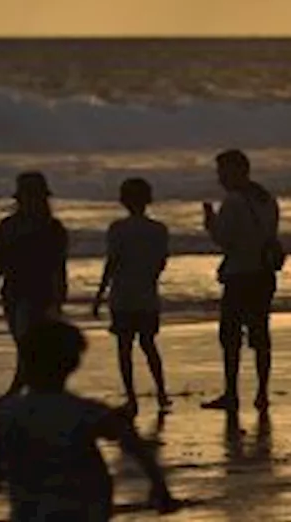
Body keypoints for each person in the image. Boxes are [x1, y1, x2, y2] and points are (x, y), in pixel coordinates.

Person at [0, 320, 179, 521]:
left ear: (25, 363)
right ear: (73, 364)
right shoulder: (84, 412)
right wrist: (159, 486)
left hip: (31, 511)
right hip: (86, 508)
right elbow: (133, 443)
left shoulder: (10, 414)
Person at [202, 149, 281, 413]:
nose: (219, 178)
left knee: (231, 337)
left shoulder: (234, 201)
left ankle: (232, 393)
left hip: (239, 274)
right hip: (263, 273)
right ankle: (261, 392)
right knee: (260, 334)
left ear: (236, 171)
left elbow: (224, 240)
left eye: (222, 172)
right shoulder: (266, 199)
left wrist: (210, 222)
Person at [0, 171, 69, 403]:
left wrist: (61, 293)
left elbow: (59, 265)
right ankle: (36, 390)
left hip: (39, 292)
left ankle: (17, 391)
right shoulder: (12, 226)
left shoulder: (51, 228)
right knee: (26, 343)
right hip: (14, 290)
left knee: (28, 343)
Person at [91, 178, 171, 417]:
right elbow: (161, 262)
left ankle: (132, 397)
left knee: (124, 348)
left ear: (123, 200)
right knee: (149, 344)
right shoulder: (159, 229)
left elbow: (112, 263)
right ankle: (161, 392)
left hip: (123, 294)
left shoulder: (118, 228)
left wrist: (99, 294)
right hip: (147, 293)